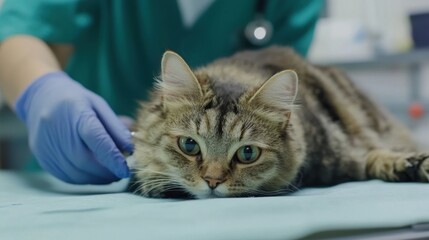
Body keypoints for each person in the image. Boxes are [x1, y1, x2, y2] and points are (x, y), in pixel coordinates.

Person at [0, 0, 322, 184]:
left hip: (234, 199)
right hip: (75, 169)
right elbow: (18, 28)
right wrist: (40, 91)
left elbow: (274, 106)